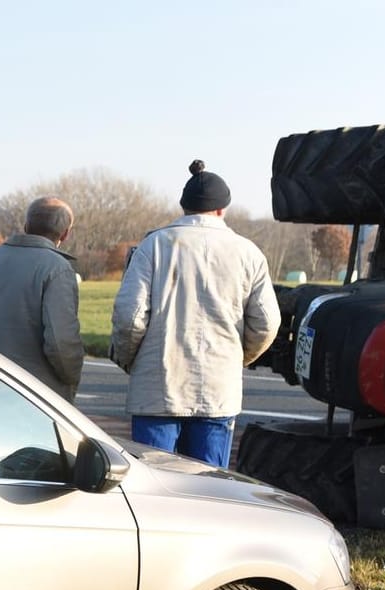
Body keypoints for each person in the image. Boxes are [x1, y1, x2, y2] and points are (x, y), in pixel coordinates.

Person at [111, 161, 279, 468]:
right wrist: (239, 356)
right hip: (218, 387)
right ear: (222, 209)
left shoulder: (154, 245)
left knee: (153, 483)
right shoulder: (248, 252)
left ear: (184, 206)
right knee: (209, 488)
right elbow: (267, 322)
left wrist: (129, 358)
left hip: (157, 386)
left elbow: (130, 317)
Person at [0, 196, 84, 401]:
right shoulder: (57, 268)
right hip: (36, 394)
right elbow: (60, 342)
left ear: (26, 225)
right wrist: (70, 380)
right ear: (65, 234)